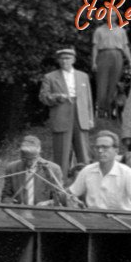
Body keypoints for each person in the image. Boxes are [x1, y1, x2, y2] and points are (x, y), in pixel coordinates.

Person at [39, 47, 94, 175]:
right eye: (62, 59)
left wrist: (90, 118)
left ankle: (86, 181)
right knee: (62, 152)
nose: (65, 61)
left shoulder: (83, 76)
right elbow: (43, 97)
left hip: (81, 115)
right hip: (61, 114)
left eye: (68, 58)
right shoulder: (50, 77)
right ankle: (60, 183)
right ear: (58, 61)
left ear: (73, 60)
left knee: (84, 152)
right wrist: (56, 97)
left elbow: (88, 98)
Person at [68, 131, 131, 211]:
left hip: (122, 219)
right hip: (93, 219)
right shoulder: (87, 171)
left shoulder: (128, 173)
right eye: (97, 147)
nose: (100, 151)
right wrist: (67, 198)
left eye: (105, 147)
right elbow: (69, 193)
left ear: (116, 150)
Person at [0, 135, 65, 206]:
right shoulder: (12, 168)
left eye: (32, 159)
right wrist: (12, 204)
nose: (29, 163)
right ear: (20, 155)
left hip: (44, 215)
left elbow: (61, 198)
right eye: (25, 159)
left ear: (39, 153)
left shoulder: (53, 169)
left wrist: (47, 203)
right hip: (18, 213)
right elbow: (5, 196)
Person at [91, 21, 131, 119]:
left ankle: (111, 110)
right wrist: (93, 62)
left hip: (117, 55)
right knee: (102, 83)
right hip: (103, 54)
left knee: (115, 84)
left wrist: (130, 60)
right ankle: (101, 110)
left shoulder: (121, 31)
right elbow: (95, 47)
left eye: (113, 15)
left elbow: (125, 46)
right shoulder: (99, 30)